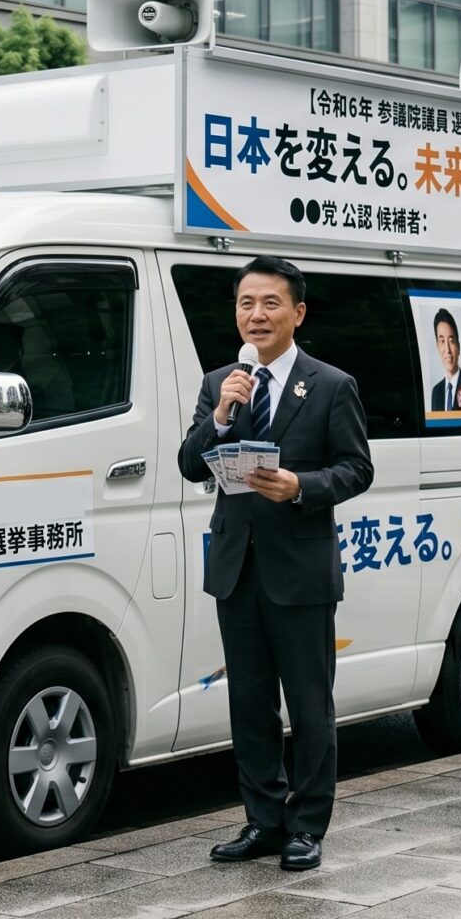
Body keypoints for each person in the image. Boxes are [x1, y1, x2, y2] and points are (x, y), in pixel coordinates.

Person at [177, 256, 375, 873]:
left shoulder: (330, 384)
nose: (256, 315)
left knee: (309, 703)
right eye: (246, 304)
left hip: (301, 568)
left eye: (269, 303)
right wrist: (218, 418)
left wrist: (300, 486)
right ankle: (262, 820)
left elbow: (357, 468)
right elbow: (188, 464)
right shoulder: (220, 383)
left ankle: (306, 826)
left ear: (297, 312)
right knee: (250, 702)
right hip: (237, 567)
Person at [428, 308, 461, 413]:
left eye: (451, 341)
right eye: (442, 341)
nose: (447, 349)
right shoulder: (436, 392)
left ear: (458, 347)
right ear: (437, 346)